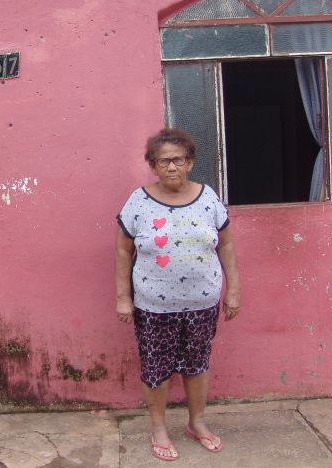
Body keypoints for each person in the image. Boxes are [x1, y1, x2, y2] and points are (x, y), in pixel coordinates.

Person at [115, 128, 241, 462]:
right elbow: (123, 252)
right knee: (156, 368)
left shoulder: (208, 197)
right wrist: (123, 297)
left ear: (190, 162)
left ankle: (197, 423)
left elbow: (226, 245)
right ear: (153, 166)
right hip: (154, 307)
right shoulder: (138, 201)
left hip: (203, 305)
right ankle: (158, 428)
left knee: (197, 365)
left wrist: (234, 291)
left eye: (179, 160)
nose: (172, 167)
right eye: (164, 161)